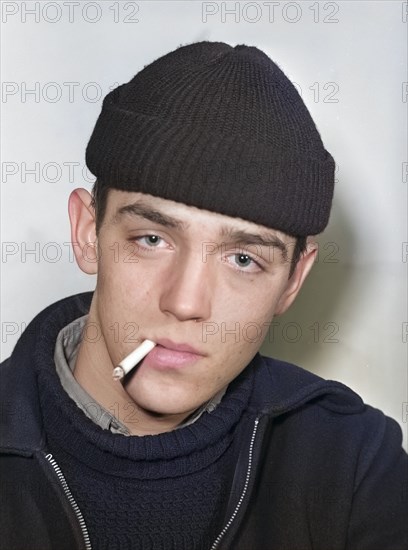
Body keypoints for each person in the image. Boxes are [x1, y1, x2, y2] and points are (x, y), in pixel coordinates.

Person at [0, 41, 406, 550]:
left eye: (243, 259)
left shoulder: (355, 463)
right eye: (152, 239)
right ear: (88, 233)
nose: (187, 302)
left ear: (293, 282)